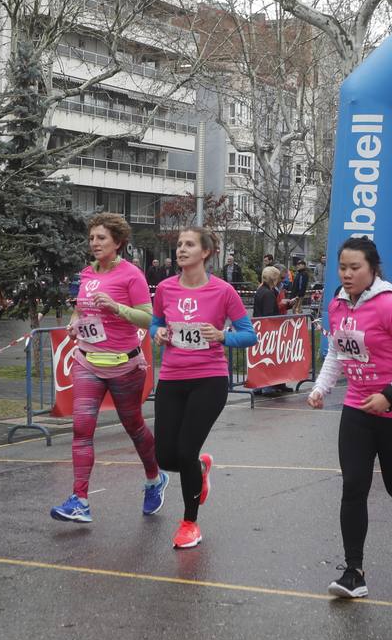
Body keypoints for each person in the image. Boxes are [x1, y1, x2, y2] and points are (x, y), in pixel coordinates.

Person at [307, 237, 392, 600]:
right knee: (354, 486)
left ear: (372, 269)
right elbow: (337, 352)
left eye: (356, 268)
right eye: (343, 268)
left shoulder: (388, 307)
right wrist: (321, 387)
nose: (348, 275)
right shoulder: (336, 304)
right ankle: (354, 572)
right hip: (356, 408)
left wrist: (390, 395)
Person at [50, 213, 166, 524]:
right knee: (82, 428)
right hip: (87, 362)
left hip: (124, 365)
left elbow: (149, 319)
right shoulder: (87, 274)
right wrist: (74, 326)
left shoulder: (131, 275)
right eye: (91, 238)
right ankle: (80, 500)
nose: (95, 243)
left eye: (101, 238)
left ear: (118, 242)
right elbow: (79, 310)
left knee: (134, 427)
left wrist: (116, 308)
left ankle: (154, 477)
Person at [151, 226, 256, 549]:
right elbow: (156, 322)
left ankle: (189, 523)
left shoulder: (223, 291)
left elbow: (249, 335)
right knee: (166, 456)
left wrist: (223, 336)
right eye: (179, 244)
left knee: (185, 451)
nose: (181, 250)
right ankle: (200, 468)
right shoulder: (166, 288)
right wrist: (158, 333)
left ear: (205, 252)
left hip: (209, 380)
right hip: (171, 378)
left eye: (189, 244)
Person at [252, 266, 286, 397]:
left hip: (258, 328)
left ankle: (258, 386)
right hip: (267, 330)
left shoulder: (260, 290)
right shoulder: (268, 293)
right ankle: (266, 386)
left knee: (260, 358)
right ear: (274, 278)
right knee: (267, 357)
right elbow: (269, 313)